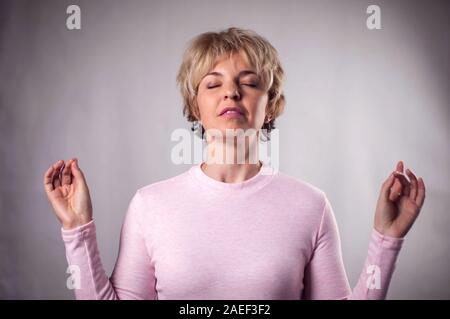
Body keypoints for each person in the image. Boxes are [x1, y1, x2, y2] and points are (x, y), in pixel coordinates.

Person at [43, 27, 426, 299]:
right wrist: (77, 230)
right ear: (196, 106)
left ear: (270, 104)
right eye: (213, 83)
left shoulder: (311, 205)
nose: (231, 91)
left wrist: (386, 240)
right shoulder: (150, 205)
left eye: (249, 82)